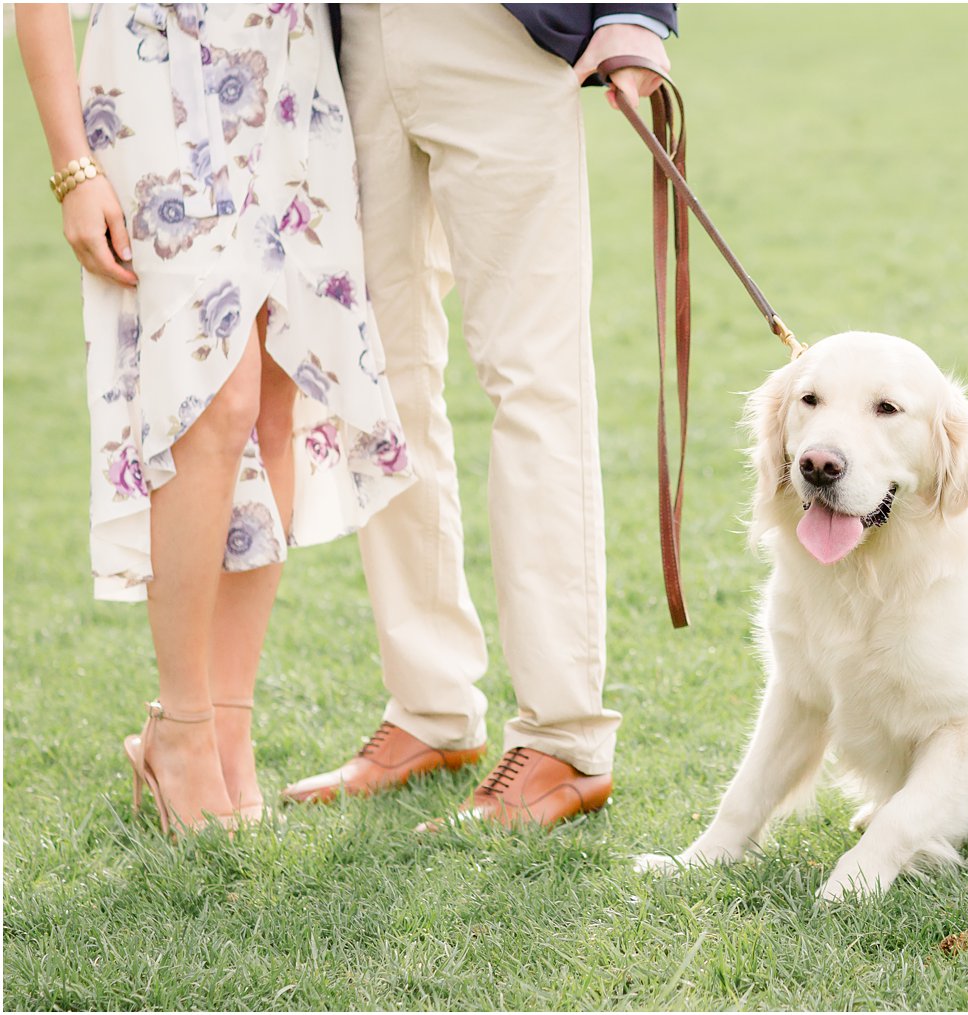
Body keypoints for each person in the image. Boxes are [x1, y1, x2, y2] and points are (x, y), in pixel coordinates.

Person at [16, 3, 414, 835]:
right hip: (157, 73)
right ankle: (183, 728)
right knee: (212, 403)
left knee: (276, 397)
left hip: (293, 68)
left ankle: (229, 723)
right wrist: (72, 166)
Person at [279, 4, 675, 832]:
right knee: (378, 381)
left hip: (499, 35)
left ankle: (564, 735)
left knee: (534, 379)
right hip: (354, 41)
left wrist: (637, 14)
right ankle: (430, 707)